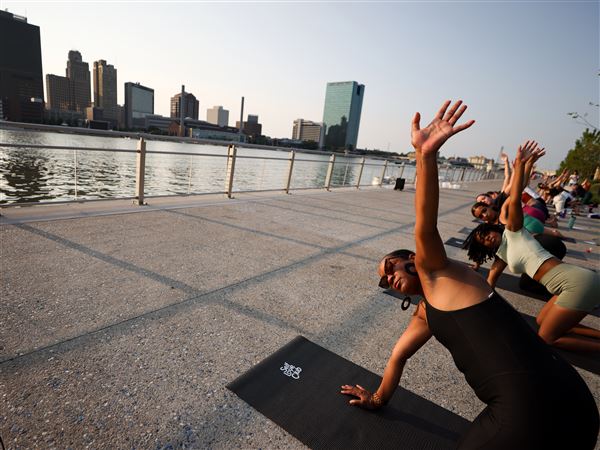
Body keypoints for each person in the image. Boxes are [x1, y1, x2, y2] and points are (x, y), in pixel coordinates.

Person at [340, 101, 599, 449]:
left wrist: (426, 157)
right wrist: (377, 399)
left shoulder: (438, 273)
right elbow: (398, 356)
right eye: (384, 280)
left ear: (413, 259)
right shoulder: (427, 309)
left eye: (390, 267)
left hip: (531, 409)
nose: (389, 279)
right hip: (567, 397)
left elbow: (425, 225)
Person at [464, 141, 600, 353]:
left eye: (485, 233)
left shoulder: (513, 231)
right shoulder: (502, 256)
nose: (487, 238)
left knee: (546, 338)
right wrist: (473, 311)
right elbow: (489, 283)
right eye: (482, 242)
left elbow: (515, 194)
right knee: (541, 319)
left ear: (492, 229)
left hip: (576, 283)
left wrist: (520, 165)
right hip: (567, 284)